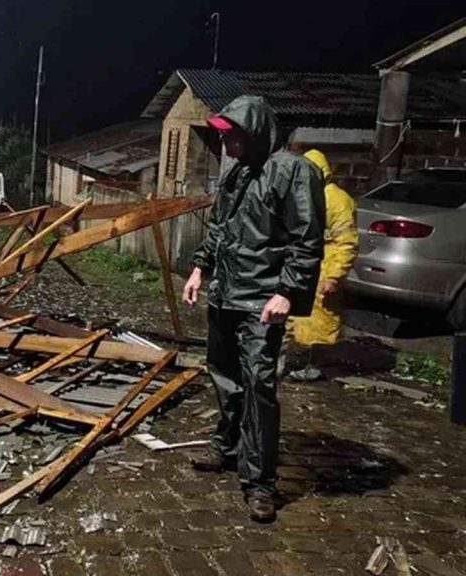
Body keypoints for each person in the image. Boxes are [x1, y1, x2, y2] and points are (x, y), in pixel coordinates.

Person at [182, 95, 325, 522]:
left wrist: (287, 291)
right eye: (224, 137)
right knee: (224, 377)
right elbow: (220, 227)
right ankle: (226, 447)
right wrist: (199, 268)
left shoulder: (292, 172)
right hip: (226, 294)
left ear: (256, 132)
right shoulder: (238, 172)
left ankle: (260, 482)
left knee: (258, 386)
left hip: (261, 302)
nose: (226, 144)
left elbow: (307, 239)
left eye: (233, 136)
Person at [287, 149, 359, 381]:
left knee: (322, 322)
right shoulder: (302, 196)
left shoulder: (337, 201)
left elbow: (346, 242)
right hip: (302, 268)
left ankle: (317, 365)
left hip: (323, 272)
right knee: (290, 317)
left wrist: (334, 276)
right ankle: (286, 360)